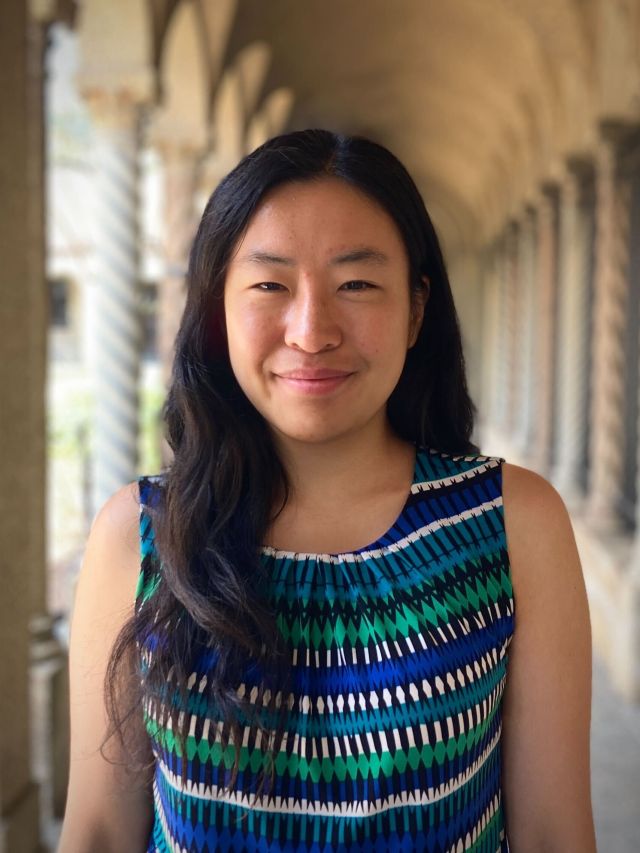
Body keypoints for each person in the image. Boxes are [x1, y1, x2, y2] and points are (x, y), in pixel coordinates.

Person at [59, 129, 596, 852]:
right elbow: (96, 831)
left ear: (415, 309)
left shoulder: (512, 523)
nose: (311, 331)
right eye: (270, 285)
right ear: (219, 310)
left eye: (356, 284)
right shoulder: (142, 533)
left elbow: (556, 834)